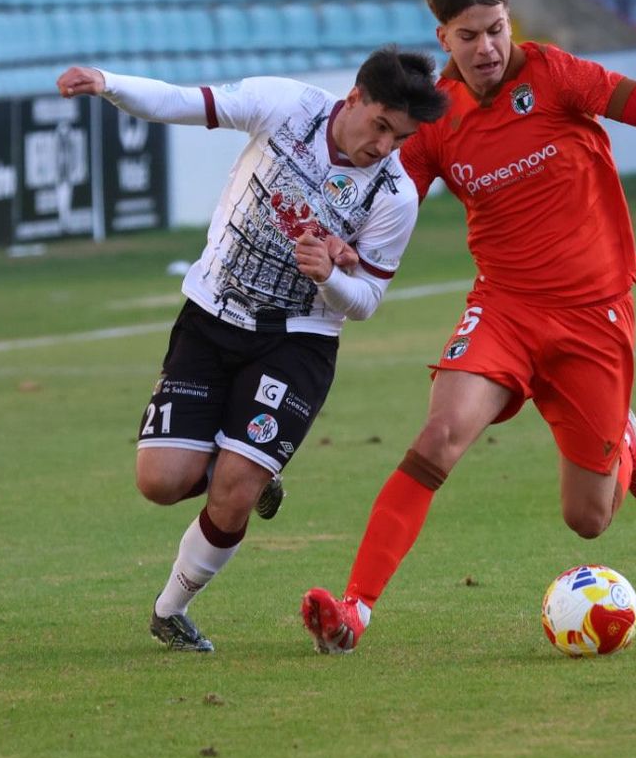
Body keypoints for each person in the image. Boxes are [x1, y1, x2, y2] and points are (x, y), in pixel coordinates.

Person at [300, 0, 636, 653]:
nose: (487, 47)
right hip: (506, 309)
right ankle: (354, 610)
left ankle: (629, 444)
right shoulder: (436, 120)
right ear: (444, 41)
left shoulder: (553, 74)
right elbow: (390, 194)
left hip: (594, 315)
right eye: (469, 36)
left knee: (588, 519)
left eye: (495, 28)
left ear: (508, 18)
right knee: (439, 436)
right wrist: (344, 242)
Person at [55, 46, 449, 653]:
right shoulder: (288, 107)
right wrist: (107, 83)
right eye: (381, 127)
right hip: (212, 314)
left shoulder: (395, 194)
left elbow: (366, 299)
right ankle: (243, 467)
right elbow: (185, 102)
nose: (385, 147)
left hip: (298, 341)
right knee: (160, 482)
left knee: (233, 489)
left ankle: (171, 608)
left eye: (400, 138)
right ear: (355, 99)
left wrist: (329, 277)